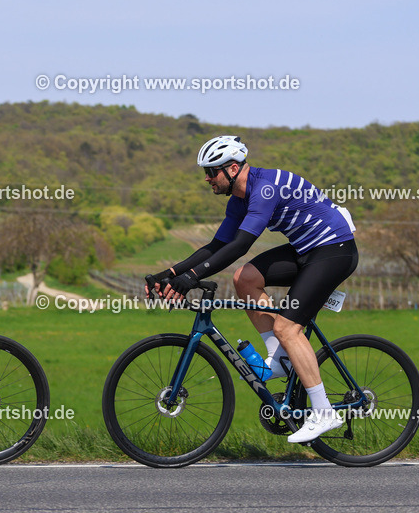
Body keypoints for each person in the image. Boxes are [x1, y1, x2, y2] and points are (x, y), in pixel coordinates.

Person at [151, 136, 358, 443]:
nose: (207, 179)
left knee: (288, 328)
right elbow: (218, 245)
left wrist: (192, 278)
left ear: (233, 168)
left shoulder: (264, 187)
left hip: (334, 250)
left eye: (211, 172)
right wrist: (170, 273)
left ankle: (324, 411)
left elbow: (241, 245)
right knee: (244, 279)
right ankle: (280, 359)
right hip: (306, 250)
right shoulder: (238, 199)